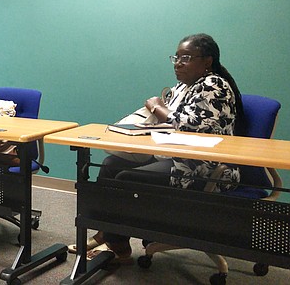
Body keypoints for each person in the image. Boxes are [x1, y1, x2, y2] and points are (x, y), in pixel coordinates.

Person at [85, 33, 245, 263]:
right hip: (175, 155)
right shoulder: (183, 86)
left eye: (186, 58)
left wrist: (157, 106)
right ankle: (109, 234)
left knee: (126, 178)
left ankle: (115, 241)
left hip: (207, 166)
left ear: (207, 61)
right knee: (110, 165)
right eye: (176, 58)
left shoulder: (214, 85)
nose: (178, 64)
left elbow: (187, 124)